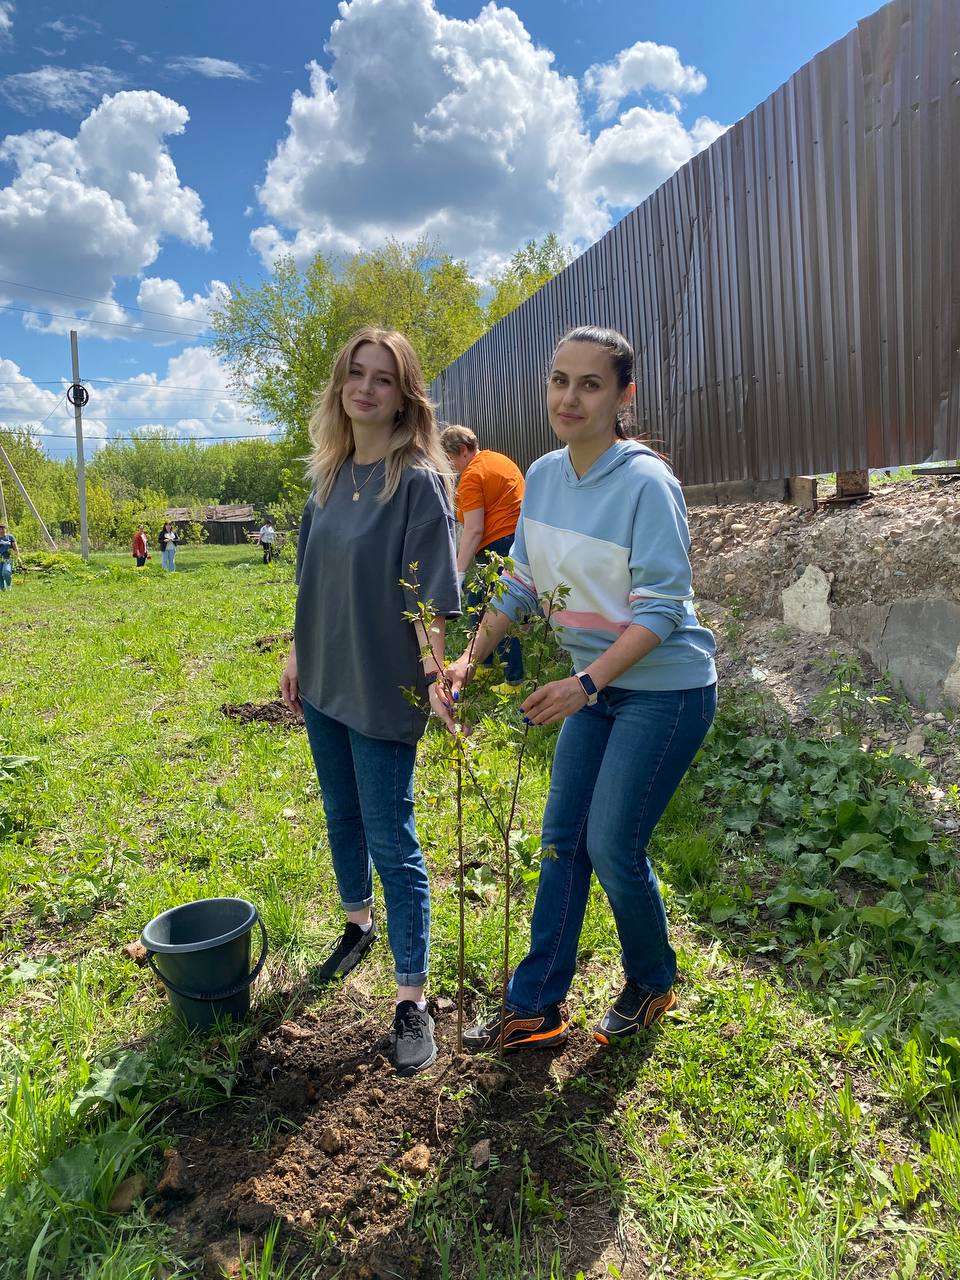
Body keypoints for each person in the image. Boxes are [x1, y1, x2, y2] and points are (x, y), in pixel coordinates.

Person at [444, 326, 717, 1052]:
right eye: (559, 380)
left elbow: (662, 610)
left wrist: (584, 684)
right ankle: (535, 1005)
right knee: (562, 841)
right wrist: (470, 657)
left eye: (590, 384)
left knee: (612, 843)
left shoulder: (646, 483)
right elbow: (522, 584)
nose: (569, 397)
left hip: (665, 688)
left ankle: (653, 979)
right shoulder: (545, 475)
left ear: (622, 395)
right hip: (594, 689)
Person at [280, 327, 459, 1077]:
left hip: (382, 685)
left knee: (393, 835)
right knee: (339, 811)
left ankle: (412, 997)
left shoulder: (415, 481)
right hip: (323, 674)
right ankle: (358, 923)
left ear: (403, 395)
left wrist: (435, 674)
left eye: (382, 378)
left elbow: (430, 599)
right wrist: (295, 650)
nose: (366, 388)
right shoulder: (326, 476)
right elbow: (309, 579)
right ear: (339, 386)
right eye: (355, 373)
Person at [440, 424, 525, 691]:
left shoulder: (472, 475)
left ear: (463, 451)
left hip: (497, 546)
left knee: (498, 609)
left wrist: (459, 572)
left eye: (450, 459)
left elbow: (474, 529)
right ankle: (484, 666)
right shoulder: (497, 460)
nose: (451, 466)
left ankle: (514, 679)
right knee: (478, 603)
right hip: (516, 541)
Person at [0, 523, 22, 591]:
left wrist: (18, 557)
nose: (1, 530)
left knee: (6, 572)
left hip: (8, 558)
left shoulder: (10, 537)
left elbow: (15, 548)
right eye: (0, 528)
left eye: (3, 528)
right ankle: (2, 589)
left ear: (6, 529)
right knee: (0, 575)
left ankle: (9, 585)